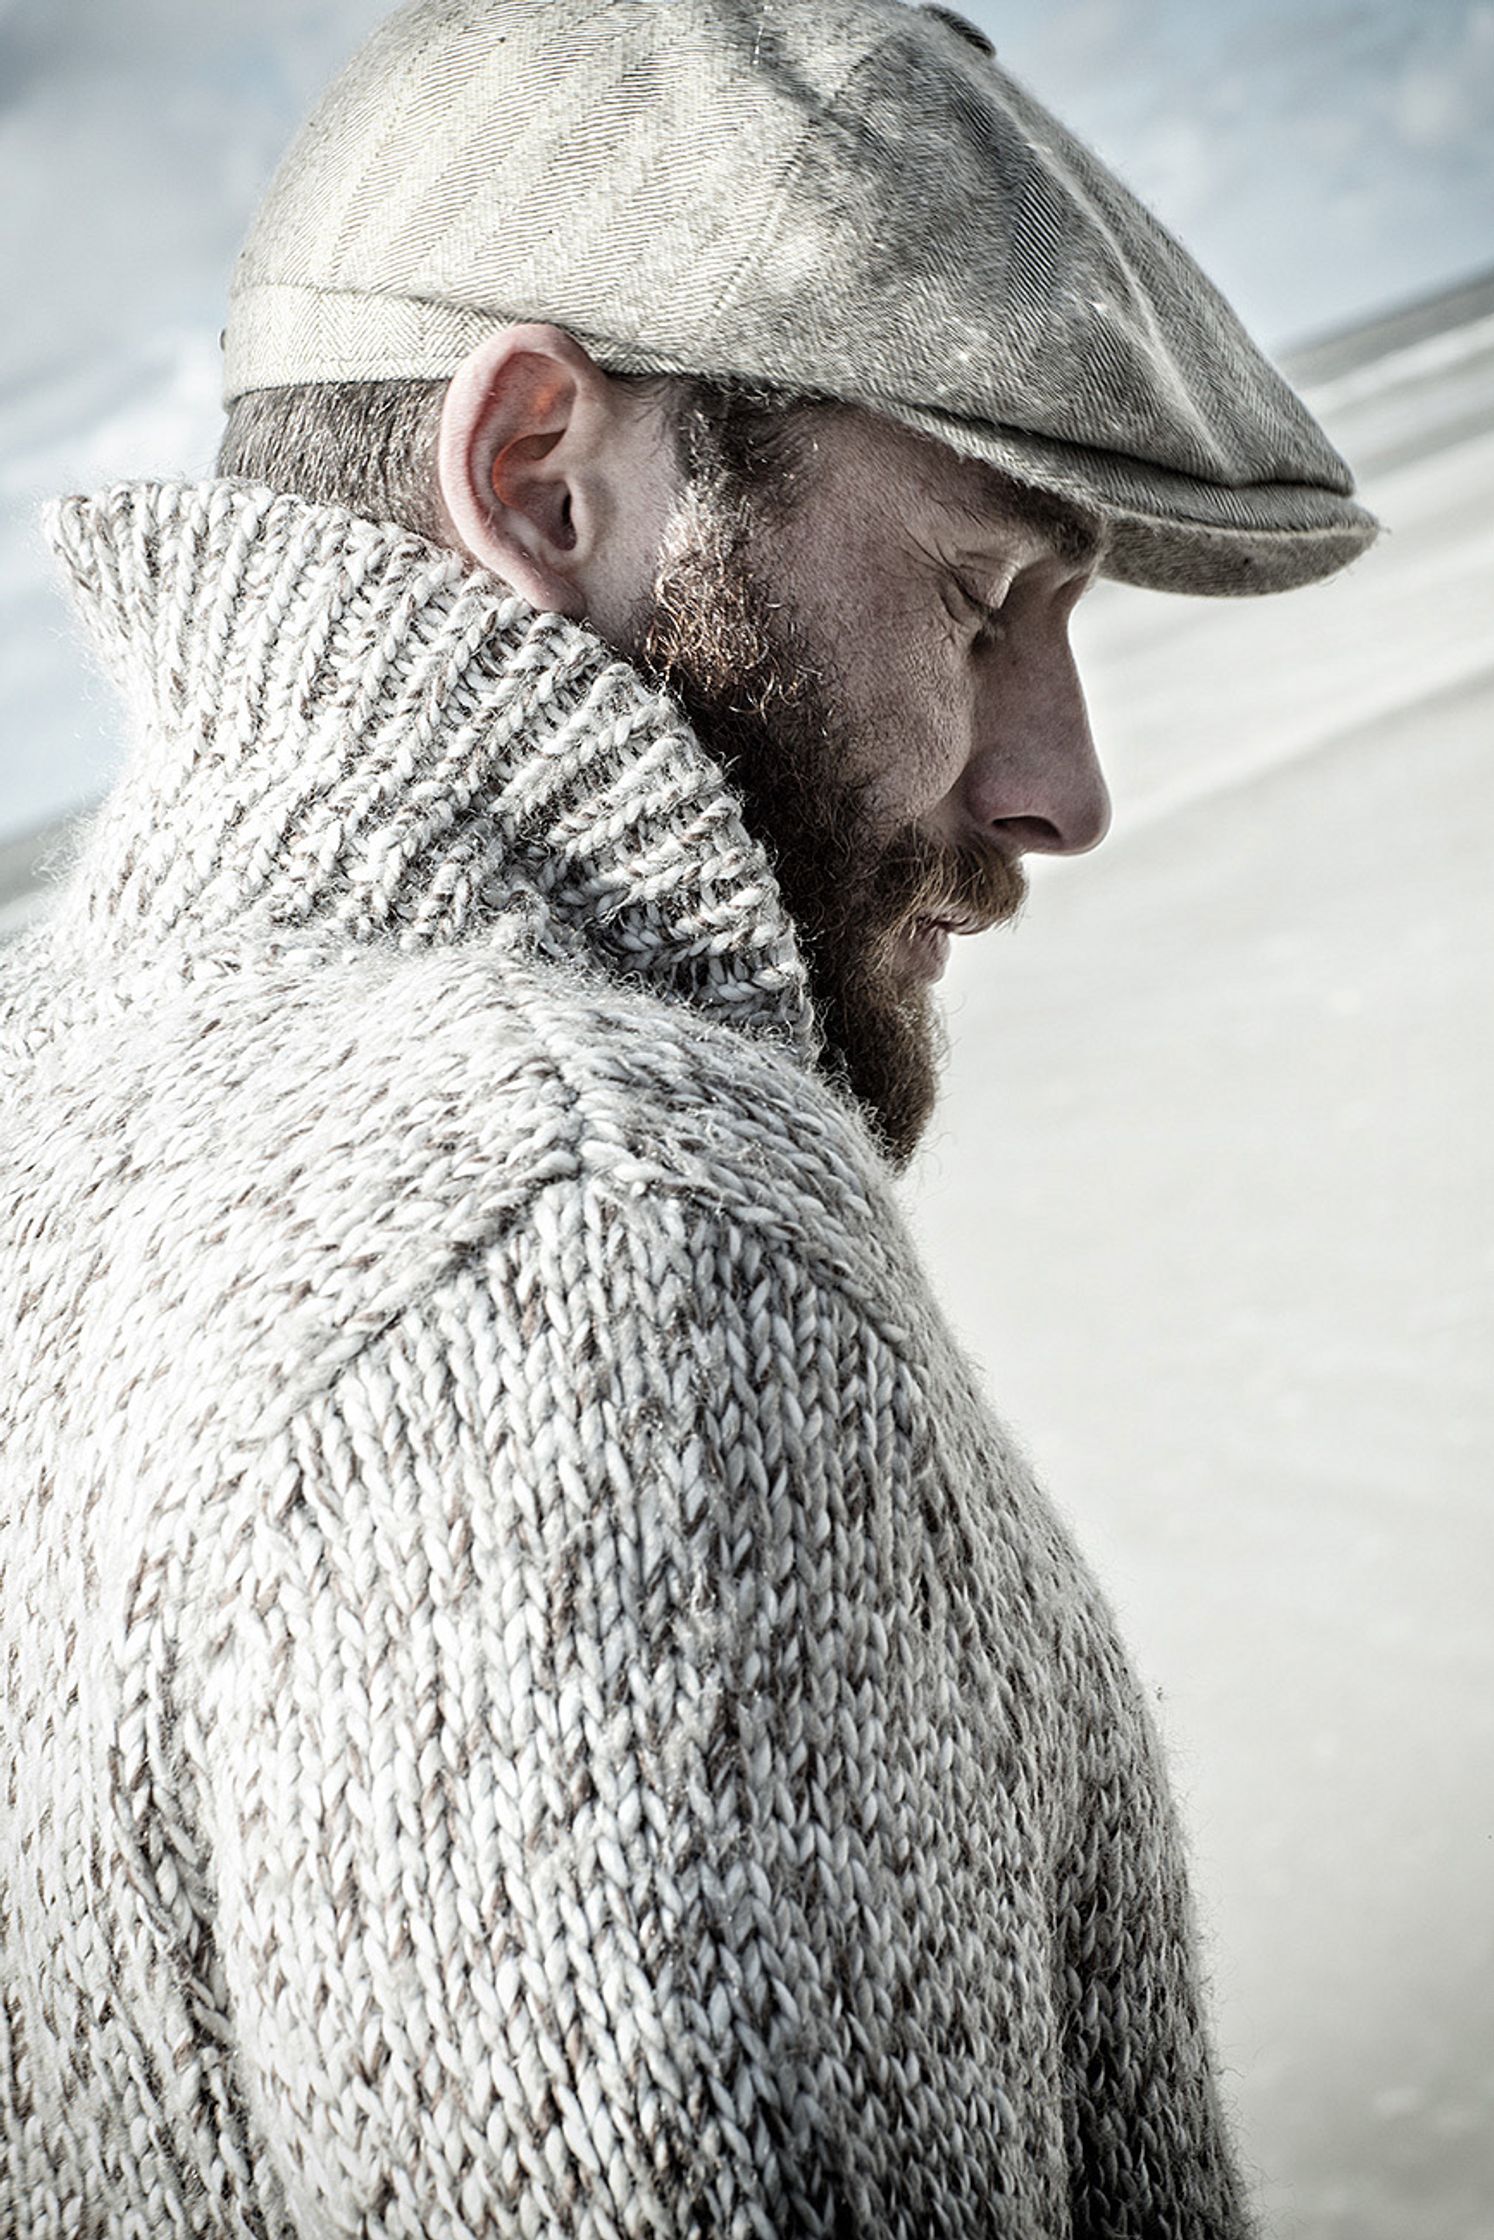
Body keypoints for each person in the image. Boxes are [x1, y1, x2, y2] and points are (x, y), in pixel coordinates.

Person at [0, 2, 1376, 2233]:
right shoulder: (595, 1231)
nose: (1066, 787)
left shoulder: (62, 1096)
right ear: (546, 475)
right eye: (981, 595)